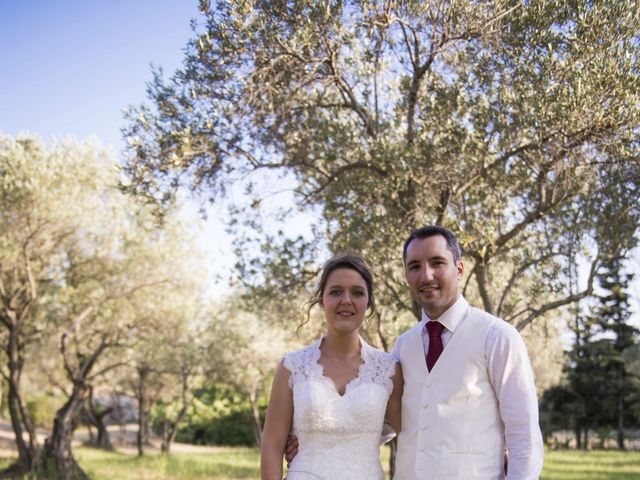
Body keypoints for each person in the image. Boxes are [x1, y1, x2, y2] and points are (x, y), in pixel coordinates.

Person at [393, 225, 543, 479]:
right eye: (415, 266)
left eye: (437, 262)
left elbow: (524, 437)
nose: (426, 275)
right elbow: (390, 422)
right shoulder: (402, 345)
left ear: (459, 269)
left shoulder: (497, 337)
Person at [260, 254, 403, 480]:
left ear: (369, 302)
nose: (346, 300)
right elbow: (271, 446)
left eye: (357, 292)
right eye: (336, 292)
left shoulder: (388, 369)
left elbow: (407, 439)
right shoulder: (292, 367)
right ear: (321, 301)